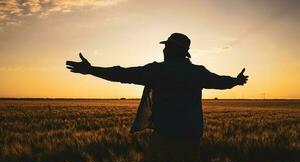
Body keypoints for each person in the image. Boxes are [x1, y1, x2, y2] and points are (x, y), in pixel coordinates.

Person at [66, 33, 248, 141]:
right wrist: (236, 81)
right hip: (191, 134)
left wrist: (91, 70)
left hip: (165, 134)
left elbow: (121, 74)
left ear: (174, 50)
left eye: (167, 47)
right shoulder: (197, 72)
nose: (164, 49)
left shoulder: (157, 71)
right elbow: (220, 82)